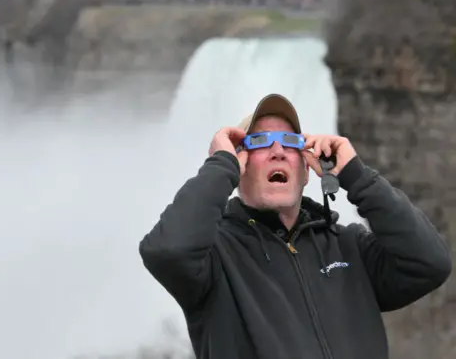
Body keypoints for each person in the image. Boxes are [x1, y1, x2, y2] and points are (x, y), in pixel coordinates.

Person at [139, 93, 451, 359]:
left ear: (305, 171)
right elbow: (166, 251)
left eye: (290, 142)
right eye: (260, 141)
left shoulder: (350, 246)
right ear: (240, 168)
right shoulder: (215, 257)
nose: (278, 151)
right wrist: (221, 165)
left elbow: (430, 263)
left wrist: (357, 177)